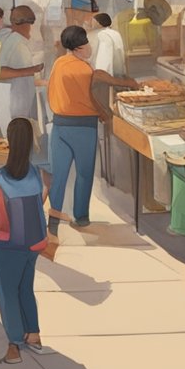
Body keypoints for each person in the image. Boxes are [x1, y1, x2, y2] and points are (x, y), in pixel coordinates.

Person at [47, 26, 137, 246]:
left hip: (59, 127)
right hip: (83, 127)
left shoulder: (58, 64)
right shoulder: (86, 71)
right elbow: (97, 99)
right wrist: (106, 116)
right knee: (84, 174)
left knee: (58, 176)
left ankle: (53, 222)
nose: (90, 47)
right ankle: (81, 217)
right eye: (87, 43)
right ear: (79, 47)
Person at [0, 117, 51, 366]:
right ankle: (33, 334)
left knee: (7, 292)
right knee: (25, 287)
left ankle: (14, 344)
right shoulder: (36, 174)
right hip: (33, 241)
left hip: (9, 243)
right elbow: (39, 199)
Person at [0, 7, 43, 128]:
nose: (31, 30)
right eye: (30, 25)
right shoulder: (14, 42)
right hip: (16, 105)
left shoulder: (21, 42)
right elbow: (0, 72)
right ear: (21, 24)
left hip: (24, 102)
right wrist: (31, 70)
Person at [26, 0, 63, 64]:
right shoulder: (26, 0)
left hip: (50, 41)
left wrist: (57, 40)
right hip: (33, 41)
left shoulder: (56, 0)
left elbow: (59, 23)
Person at [90, 13, 125, 78]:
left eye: (93, 22)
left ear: (98, 23)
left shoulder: (103, 35)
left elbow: (104, 58)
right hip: (118, 71)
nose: (92, 24)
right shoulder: (115, 33)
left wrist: (100, 75)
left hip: (107, 75)